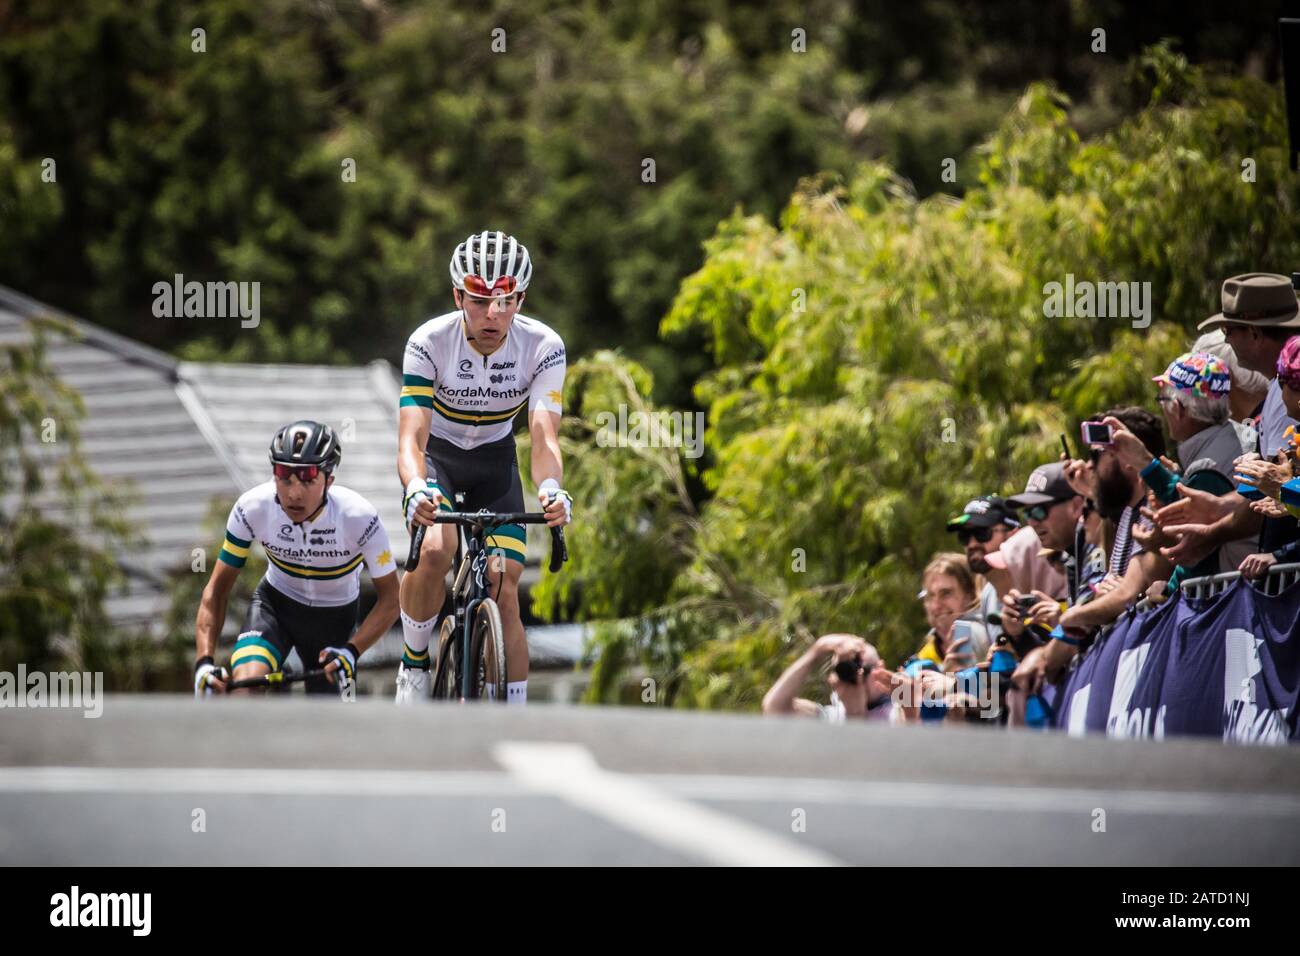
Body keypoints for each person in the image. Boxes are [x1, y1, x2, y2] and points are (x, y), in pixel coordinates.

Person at [396, 231, 572, 705]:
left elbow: (543, 436)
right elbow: (411, 437)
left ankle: (512, 711)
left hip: (496, 464)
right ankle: (413, 665)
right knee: (435, 549)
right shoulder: (429, 342)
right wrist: (415, 488)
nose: (493, 315)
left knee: (504, 584)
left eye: (506, 301)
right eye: (479, 300)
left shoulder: (543, 346)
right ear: (458, 296)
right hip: (441, 460)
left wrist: (552, 488)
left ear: (520, 298)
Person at [194, 421, 401, 697]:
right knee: (246, 686)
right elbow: (216, 591)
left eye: (307, 480)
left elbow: (393, 599)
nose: (294, 493)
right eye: (285, 478)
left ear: (329, 480)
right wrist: (204, 664)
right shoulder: (252, 508)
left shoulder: (358, 518)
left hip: (335, 623)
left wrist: (352, 651)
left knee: (326, 730)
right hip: (275, 609)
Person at [1158, 274, 1300, 568]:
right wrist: (1219, 507)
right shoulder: (1276, 391)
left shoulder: (1287, 394)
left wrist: (1211, 533)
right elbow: (1268, 489)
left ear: (1254, 333)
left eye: (1228, 330)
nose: (1225, 340)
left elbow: (1284, 488)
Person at [762, 634, 896, 722]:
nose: (856, 679)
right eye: (845, 672)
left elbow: (911, 723)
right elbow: (774, 708)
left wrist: (903, 689)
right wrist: (816, 651)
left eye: (863, 670)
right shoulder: (835, 717)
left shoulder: (898, 707)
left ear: (881, 667)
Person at [945, 495, 1023, 633]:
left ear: (1013, 534)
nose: (972, 544)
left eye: (982, 533)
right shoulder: (988, 595)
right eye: (965, 536)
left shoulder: (1034, 583)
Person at [908, 553, 991, 673]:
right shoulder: (925, 654)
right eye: (930, 596)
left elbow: (989, 689)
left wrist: (948, 681)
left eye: (946, 593)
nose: (936, 606)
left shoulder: (970, 634)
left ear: (970, 595)